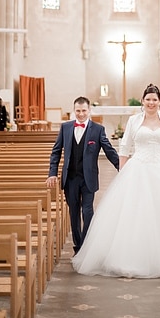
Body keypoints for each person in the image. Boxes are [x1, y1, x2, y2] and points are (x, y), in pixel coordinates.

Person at [71, 84, 160, 278]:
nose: (151, 102)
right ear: (142, 101)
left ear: (159, 101)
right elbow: (125, 146)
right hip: (138, 168)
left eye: (154, 99)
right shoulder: (134, 120)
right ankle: (131, 257)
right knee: (135, 213)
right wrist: (122, 169)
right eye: (148, 99)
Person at [46, 96, 119, 255]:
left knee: (87, 211)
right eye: (78, 111)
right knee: (74, 212)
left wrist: (122, 167)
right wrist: (52, 173)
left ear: (89, 110)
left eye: (84, 111)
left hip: (88, 178)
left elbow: (109, 151)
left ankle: (86, 245)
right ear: (74, 111)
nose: (80, 114)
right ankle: (78, 246)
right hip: (70, 178)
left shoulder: (98, 129)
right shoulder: (65, 128)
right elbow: (56, 152)